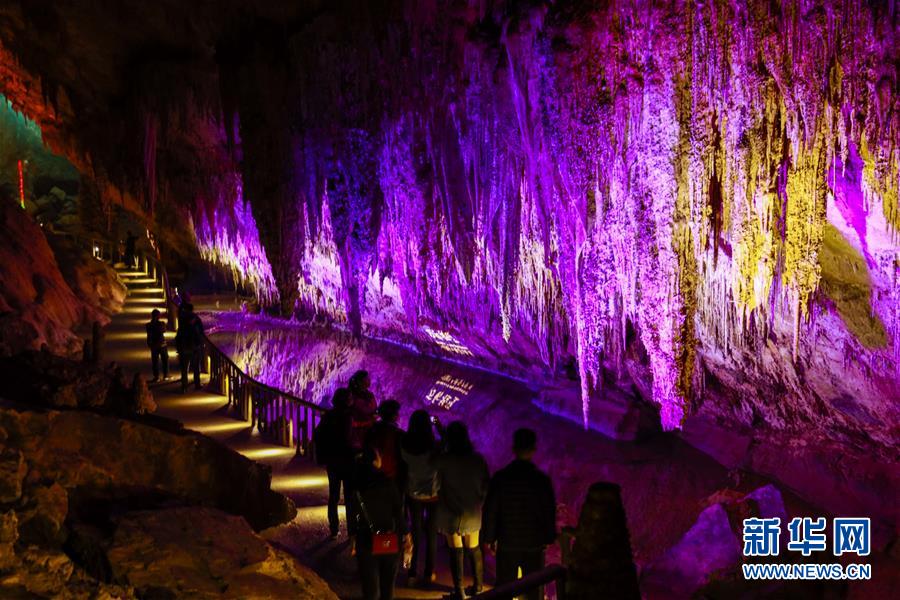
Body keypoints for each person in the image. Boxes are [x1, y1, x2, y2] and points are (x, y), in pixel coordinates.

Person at [482, 428, 557, 600]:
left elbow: (491, 509)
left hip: (507, 541)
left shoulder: (501, 477)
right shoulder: (542, 480)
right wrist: (548, 537)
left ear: (514, 449)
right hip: (534, 543)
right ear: (533, 449)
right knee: (533, 586)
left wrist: (489, 538)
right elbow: (548, 511)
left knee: (505, 586)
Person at [434, 421, 490, 598]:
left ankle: (459, 590)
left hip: (450, 512)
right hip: (472, 512)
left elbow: (435, 485)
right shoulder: (477, 460)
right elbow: (485, 486)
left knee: (455, 549)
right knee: (473, 548)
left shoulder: (443, 461)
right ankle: (479, 586)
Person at [349, 447, 410, 600]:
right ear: (375, 461)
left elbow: (353, 514)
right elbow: (398, 512)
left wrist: (353, 538)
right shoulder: (388, 482)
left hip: (366, 540)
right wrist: (407, 535)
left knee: (370, 590)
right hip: (388, 540)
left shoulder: (356, 486)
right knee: (388, 588)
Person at [400, 410, 441, 586]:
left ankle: (412, 572)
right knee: (431, 533)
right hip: (433, 495)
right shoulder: (435, 447)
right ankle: (429, 572)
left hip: (413, 494)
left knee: (415, 532)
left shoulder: (405, 446)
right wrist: (438, 425)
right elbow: (448, 441)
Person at [314, 388, 354, 538]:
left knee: (334, 495)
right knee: (350, 497)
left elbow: (318, 434)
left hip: (333, 461)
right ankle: (352, 530)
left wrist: (323, 457)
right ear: (346, 400)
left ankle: (334, 529)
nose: (352, 400)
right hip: (347, 460)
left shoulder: (328, 416)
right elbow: (347, 439)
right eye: (350, 398)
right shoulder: (348, 417)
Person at [366, 400, 405, 490]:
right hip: (392, 474)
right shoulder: (397, 433)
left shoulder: (372, 429)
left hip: (374, 472)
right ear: (394, 415)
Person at [175, 302, 203, 393]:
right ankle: (197, 384)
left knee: (184, 368)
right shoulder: (197, 319)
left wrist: (178, 346)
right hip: (195, 346)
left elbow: (179, 334)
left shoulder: (182, 320)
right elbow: (201, 331)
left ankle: (184, 386)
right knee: (196, 367)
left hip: (184, 347)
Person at [349, 370, 377, 449]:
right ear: (360, 381)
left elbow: (373, 408)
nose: (369, 380)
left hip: (369, 428)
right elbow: (362, 410)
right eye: (367, 379)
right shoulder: (353, 396)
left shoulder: (369, 394)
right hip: (358, 431)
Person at [145, 308, 169, 382]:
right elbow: (164, 330)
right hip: (162, 344)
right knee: (165, 360)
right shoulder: (161, 324)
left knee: (155, 361)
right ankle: (165, 375)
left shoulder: (148, 325)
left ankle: (156, 376)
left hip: (153, 345)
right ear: (158, 316)